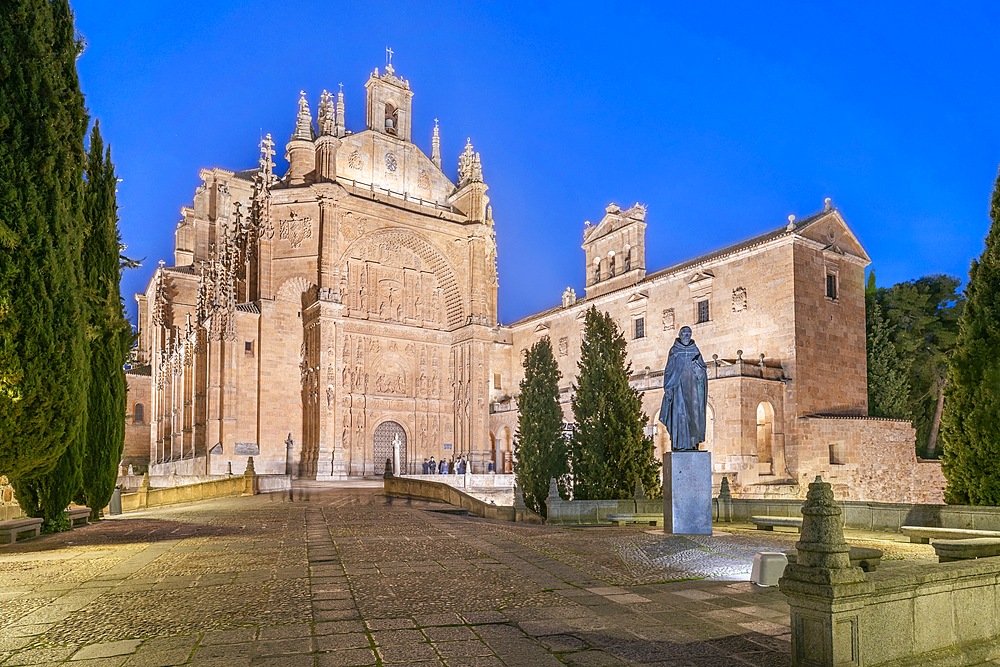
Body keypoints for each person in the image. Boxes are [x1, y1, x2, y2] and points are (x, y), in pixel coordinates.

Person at [658, 325, 707, 451]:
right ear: (680, 335)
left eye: (689, 334)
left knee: (694, 416)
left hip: (693, 389)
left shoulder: (695, 350)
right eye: (685, 334)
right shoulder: (674, 351)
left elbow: (702, 369)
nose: (687, 336)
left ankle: (693, 444)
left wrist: (698, 369)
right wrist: (668, 387)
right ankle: (679, 444)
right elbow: (669, 370)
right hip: (678, 387)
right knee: (679, 415)